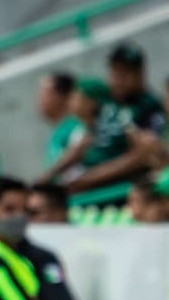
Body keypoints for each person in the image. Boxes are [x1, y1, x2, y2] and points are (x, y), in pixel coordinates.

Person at [69, 45, 166, 193]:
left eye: (124, 72)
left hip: (121, 191)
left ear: (140, 73)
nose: (117, 78)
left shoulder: (149, 107)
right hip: (88, 184)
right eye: (114, 71)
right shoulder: (109, 102)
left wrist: (89, 178)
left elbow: (144, 154)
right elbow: (86, 141)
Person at [37, 72, 80, 167]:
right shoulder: (60, 131)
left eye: (44, 93)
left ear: (60, 96)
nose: (39, 99)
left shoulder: (76, 127)